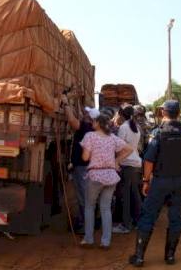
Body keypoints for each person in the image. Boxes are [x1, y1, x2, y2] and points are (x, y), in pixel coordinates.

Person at [129, 100, 181, 267]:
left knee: (148, 216)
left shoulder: (158, 133)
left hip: (161, 181)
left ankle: (139, 257)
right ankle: (170, 257)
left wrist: (146, 181)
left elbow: (149, 160)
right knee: (175, 218)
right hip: (180, 180)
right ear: (179, 113)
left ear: (163, 113)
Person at [80, 114, 133, 249]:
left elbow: (85, 158)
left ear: (98, 123)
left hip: (95, 175)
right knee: (105, 208)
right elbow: (129, 149)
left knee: (90, 207)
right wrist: (116, 161)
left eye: (94, 121)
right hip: (110, 175)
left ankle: (89, 239)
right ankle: (106, 242)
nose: (92, 122)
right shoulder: (112, 138)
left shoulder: (90, 136)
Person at [61, 94, 98, 233]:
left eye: (86, 112)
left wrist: (65, 104)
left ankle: (85, 226)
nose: (83, 112)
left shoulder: (86, 127)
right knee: (84, 196)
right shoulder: (91, 127)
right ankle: (86, 223)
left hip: (82, 167)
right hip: (85, 166)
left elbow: (72, 121)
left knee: (83, 197)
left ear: (90, 117)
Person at [112, 105, 142, 234]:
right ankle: (138, 221)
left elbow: (119, 147)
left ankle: (126, 225)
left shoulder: (123, 128)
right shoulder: (136, 127)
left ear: (121, 114)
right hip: (135, 163)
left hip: (127, 164)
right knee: (134, 194)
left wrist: (116, 161)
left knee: (125, 195)